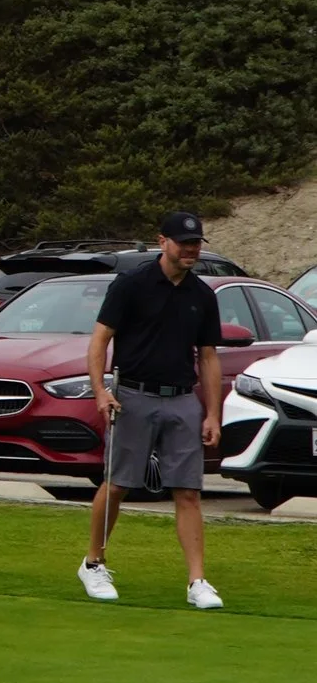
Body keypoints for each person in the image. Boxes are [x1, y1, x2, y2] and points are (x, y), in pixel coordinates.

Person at [81, 212, 227, 611]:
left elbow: (209, 358)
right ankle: (94, 563)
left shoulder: (202, 295)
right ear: (162, 241)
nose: (191, 250)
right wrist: (99, 392)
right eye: (183, 243)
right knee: (117, 485)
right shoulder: (132, 285)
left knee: (188, 491)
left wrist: (212, 414)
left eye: (196, 243)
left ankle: (197, 580)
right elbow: (99, 342)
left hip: (182, 399)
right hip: (133, 395)